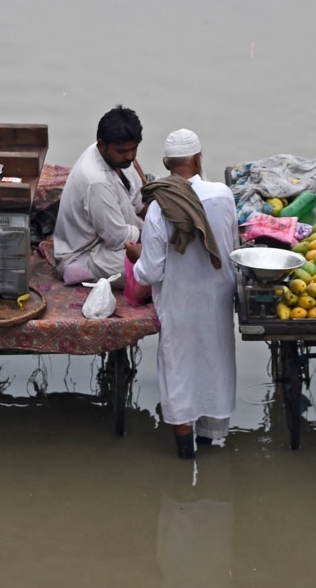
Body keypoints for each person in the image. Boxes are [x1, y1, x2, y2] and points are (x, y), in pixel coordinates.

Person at [125, 129, 239, 459]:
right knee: (214, 363)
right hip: (217, 299)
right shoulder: (223, 195)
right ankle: (209, 439)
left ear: (166, 164)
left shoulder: (160, 207)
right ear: (199, 159)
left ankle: (184, 453)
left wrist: (137, 257)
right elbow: (233, 248)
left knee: (179, 369)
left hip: (179, 303)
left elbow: (152, 271)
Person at [54, 104, 148, 286]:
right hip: (85, 256)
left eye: (133, 149)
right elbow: (117, 238)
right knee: (160, 266)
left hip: (108, 241)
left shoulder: (119, 159)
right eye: (122, 151)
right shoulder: (96, 180)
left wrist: (163, 225)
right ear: (102, 145)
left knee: (163, 255)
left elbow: (138, 202)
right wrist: (155, 238)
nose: (130, 156)